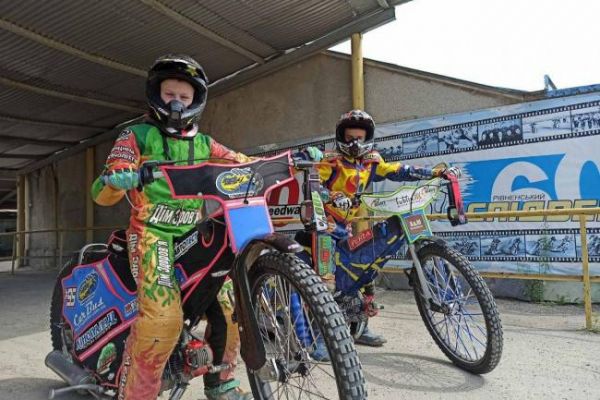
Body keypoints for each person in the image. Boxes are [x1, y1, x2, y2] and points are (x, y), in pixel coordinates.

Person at [91, 54, 253, 400]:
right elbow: (103, 190)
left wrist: (292, 161)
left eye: (184, 96)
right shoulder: (135, 135)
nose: (177, 103)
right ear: (155, 95)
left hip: (193, 233)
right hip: (151, 235)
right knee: (162, 319)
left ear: (196, 100)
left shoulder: (205, 143)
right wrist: (119, 178)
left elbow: (243, 163)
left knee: (229, 307)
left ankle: (221, 383)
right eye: (169, 95)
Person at [297, 109, 459, 347]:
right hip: (324, 227)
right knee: (327, 283)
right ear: (340, 137)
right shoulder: (330, 161)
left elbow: (399, 171)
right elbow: (314, 186)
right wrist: (332, 195)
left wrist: (435, 173)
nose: (354, 143)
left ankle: (359, 326)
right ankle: (318, 339)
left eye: (359, 138)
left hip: (345, 226)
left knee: (364, 272)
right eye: (349, 137)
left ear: (368, 138)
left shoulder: (372, 162)